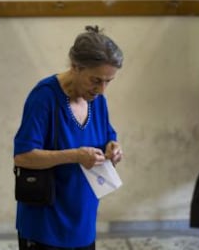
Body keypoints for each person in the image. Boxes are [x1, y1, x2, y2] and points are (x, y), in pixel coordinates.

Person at [14, 25, 124, 250]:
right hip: (45, 224)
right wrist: (75, 155)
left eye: (108, 82)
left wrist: (113, 146)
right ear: (76, 67)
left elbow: (107, 134)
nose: (102, 89)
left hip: (83, 222)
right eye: (96, 80)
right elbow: (23, 157)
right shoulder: (44, 97)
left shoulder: (97, 100)